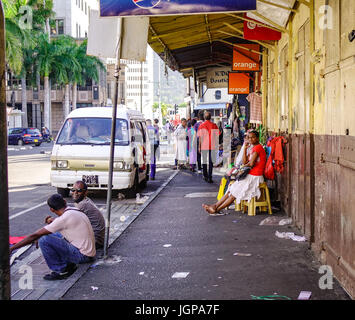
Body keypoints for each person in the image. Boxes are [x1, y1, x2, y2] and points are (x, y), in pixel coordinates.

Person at [9, 194, 96, 280]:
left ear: (51, 209)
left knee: (43, 240)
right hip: (88, 253)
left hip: (82, 256)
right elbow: (63, 222)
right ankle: (68, 265)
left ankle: (61, 270)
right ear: (65, 202)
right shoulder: (74, 210)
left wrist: (12, 249)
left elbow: (34, 235)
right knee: (51, 235)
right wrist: (51, 222)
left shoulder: (63, 219)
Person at [202, 130, 267, 215]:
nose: (251, 139)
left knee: (234, 191)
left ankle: (217, 209)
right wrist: (245, 149)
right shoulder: (252, 148)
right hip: (251, 175)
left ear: (257, 138)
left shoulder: (258, 147)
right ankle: (215, 206)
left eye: (253, 137)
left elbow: (250, 164)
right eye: (249, 138)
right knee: (231, 189)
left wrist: (243, 167)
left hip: (255, 177)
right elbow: (244, 162)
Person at [71, 180, 106, 248]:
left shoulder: (83, 204)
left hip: (96, 241)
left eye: (79, 190)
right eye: (73, 190)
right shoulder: (85, 200)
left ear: (85, 192)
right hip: (97, 238)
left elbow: (72, 224)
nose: (75, 193)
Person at [197, 111, 220, 183]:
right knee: (210, 162)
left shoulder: (201, 125)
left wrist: (199, 147)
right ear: (210, 117)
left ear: (204, 117)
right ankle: (210, 177)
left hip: (204, 145)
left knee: (204, 161)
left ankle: (205, 176)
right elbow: (217, 136)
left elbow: (200, 137)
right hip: (212, 145)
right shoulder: (214, 125)